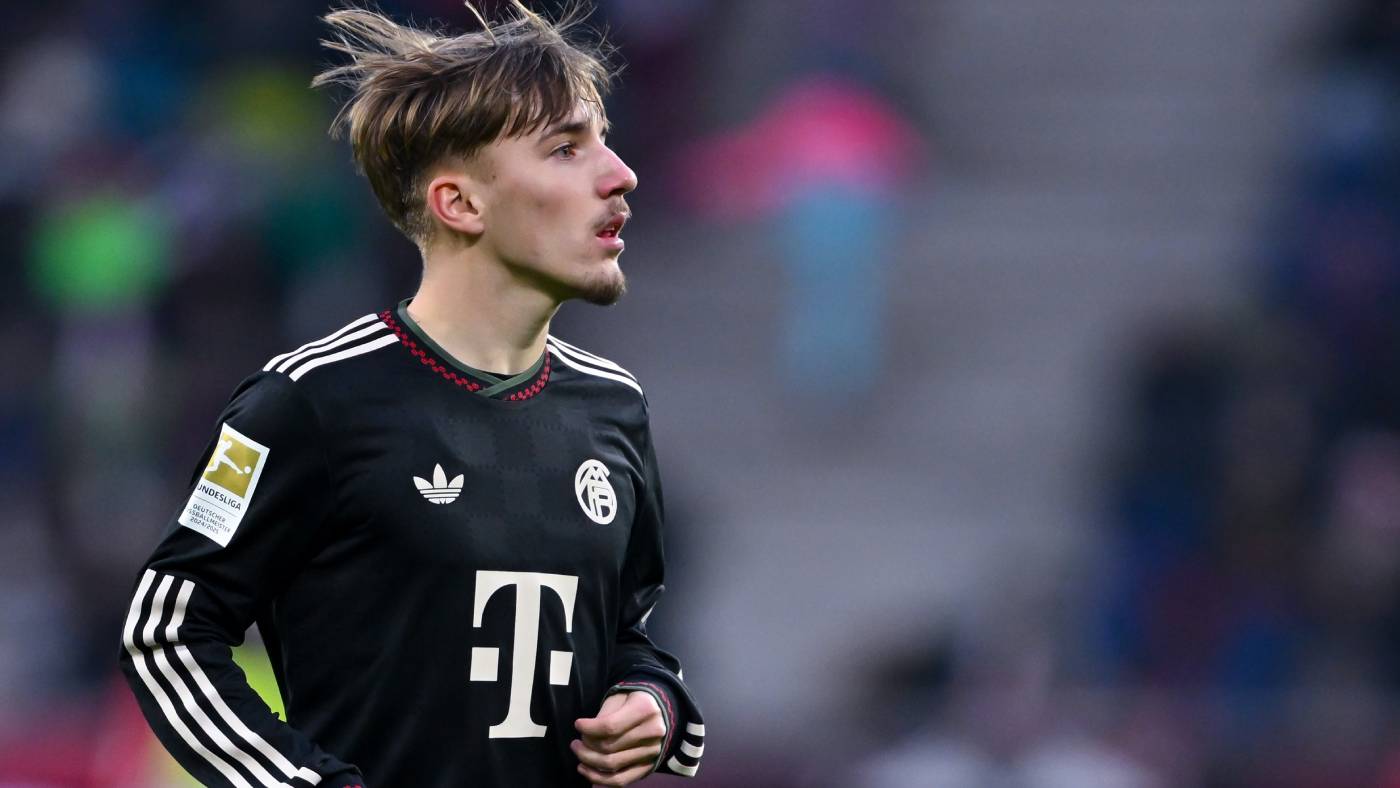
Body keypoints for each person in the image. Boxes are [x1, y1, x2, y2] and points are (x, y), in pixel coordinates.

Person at [117, 3, 705, 786]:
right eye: (566, 149)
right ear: (460, 203)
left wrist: (653, 703)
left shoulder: (614, 406)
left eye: (604, 140)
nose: (619, 173)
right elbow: (166, 634)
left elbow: (627, 635)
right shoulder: (312, 400)